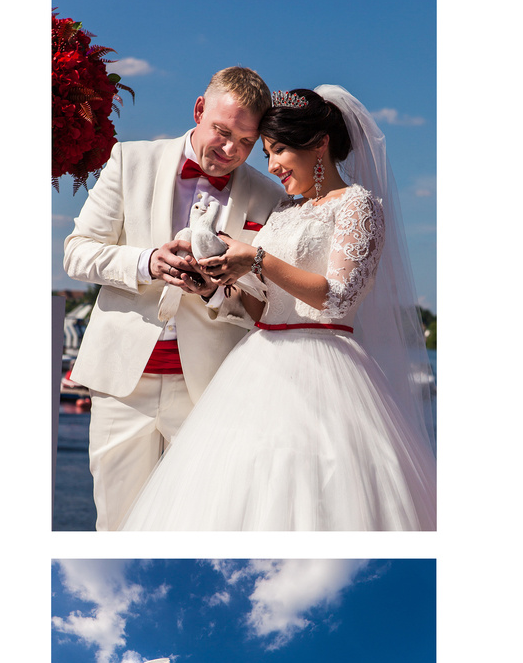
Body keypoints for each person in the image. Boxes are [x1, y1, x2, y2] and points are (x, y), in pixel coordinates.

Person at [118, 87, 435, 531]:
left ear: (320, 144)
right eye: (267, 153)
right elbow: (260, 306)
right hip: (256, 362)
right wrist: (214, 286)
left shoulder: (357, 205)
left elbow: (338, 297)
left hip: (326, 366)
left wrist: (257, 258)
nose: (271, 166)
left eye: (280, 150)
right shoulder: (284, 210)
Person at [62, 67, 289, 530]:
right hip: (122, 383)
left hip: (208, 387)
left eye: (246, 142)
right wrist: (147, 262)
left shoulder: (269, 196)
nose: (230, 150)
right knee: (117, 526)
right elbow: (77, 253)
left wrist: (216, 291)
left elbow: (263, 299)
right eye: (222, 132)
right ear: (199, 110)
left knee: (200, 528)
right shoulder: (128, 160)